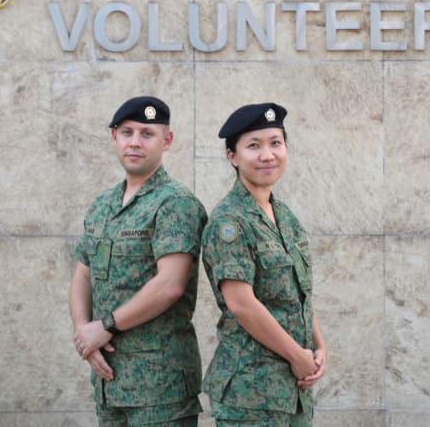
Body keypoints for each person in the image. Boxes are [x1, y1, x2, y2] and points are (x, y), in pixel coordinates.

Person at [69, 96, 207, 427]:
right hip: (110, 382)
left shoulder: (176, 203)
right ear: (114, 137)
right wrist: (84, 336)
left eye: (147, 133)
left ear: (167, 140)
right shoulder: (103, 205)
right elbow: (83, 277)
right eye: (127, 132)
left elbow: (170, 285)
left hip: (161, 387)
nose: (135, 142)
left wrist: (104, 327)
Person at [201, 102, 327, 426]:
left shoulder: (285, 217)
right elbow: (241, 304)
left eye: (275, 143)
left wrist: (317, 345)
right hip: (250, 392)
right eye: (254, 145)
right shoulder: (230, 221)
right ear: (233, 156)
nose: (268, 155)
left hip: (292, 389)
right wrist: (298, 356)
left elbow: (299, 293)